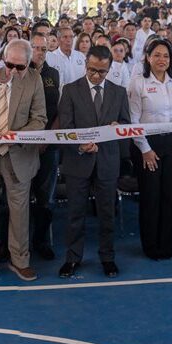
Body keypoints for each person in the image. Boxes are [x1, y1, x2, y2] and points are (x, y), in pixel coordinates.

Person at [0, 40, 47, 283]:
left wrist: (17, 136)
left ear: (29, 63)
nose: (13, 71)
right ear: (2, 59)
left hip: (19, 155)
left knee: (19, 211)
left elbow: (40, 119)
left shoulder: (35, 80)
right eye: (9, 65)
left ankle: (20, 261)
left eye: (20, 67)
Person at [58, 45, 131, 279]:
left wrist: (118, 129)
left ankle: (107, 257)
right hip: (78, 161)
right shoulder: (70, 90)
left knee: (107, 213)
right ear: (85, 65)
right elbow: (65, 127)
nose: (96, 75)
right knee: (75, 213)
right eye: (92, 70)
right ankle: (72, 258)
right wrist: (79, 145)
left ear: (110, 69)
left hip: (107, 161)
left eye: (102, 71)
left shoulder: (119, 92)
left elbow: (126, 123)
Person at [128, 39, 172, 260]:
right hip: (147, 144)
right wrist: (145, 149)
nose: (162, 59)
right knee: (151, 196)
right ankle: (150, 246)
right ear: (148, 58)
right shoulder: (138, 83)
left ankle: (166, 246)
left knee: (168, 195)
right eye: (156, 55)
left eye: (166, 55)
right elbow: (133, 121)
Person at [28, 33, 61, 261]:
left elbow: (59, 110)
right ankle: (8, 243)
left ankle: (41, 241)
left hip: (48, 145)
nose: (40, 53)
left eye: (43, 49)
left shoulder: (53, 74)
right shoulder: (18, 72)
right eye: (36, 48)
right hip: (23, 145)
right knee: (15, 197)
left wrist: (47, 139)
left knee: (46, 198)